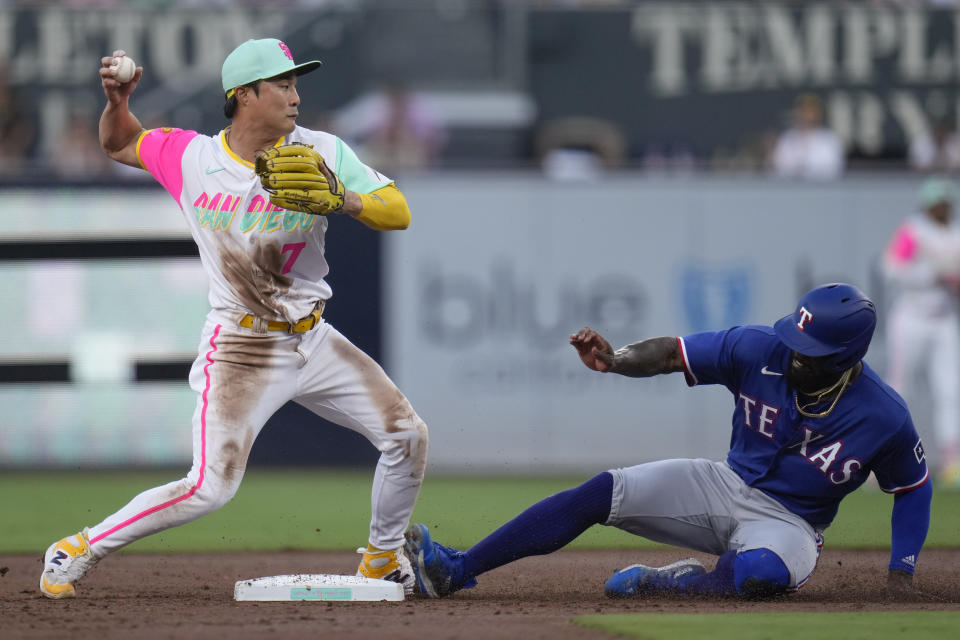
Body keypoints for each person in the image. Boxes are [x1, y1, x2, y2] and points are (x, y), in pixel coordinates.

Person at [39, 38, 428, 599]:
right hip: (241, 350)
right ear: (244, 95)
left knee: (406, 436)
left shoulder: (321, 151)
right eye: (283, 84)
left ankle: (381, 559)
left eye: (296, 83)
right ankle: (78, 547)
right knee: (209, 488)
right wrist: (118, 101)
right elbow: (119, 143)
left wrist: (344, 199)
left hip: (312, 338)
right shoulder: (192, 157)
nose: (296, 95)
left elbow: (399, 211)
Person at [404, 283, 931, 600]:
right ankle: (457, 570)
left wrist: (901, 572)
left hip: (791, 523)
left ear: (845, 356)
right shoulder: (758, 348)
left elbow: (912, 488)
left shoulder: (883, 415)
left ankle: (674, 585)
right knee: (599, 492)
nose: (794, 353)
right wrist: (615, 361)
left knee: (756, 575)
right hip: (723, 483)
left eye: (809, 350)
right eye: (795, 337)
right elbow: (670, 353)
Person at [883, 178, 960, 489]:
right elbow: (890, 268)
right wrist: (929, 273)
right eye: (936, 203)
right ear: (927, 205)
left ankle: (952, 460)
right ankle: (885, 459)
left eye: (945, 202)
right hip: (911, 318)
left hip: (943, 319)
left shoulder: (956, 233)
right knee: (900, 389)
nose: (941, 207)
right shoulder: (914, 230)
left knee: (950, 390)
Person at [771, 93, 845, 180]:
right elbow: (780, 167)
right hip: (791, 189)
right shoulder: (788, 137)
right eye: (803, 110)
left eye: (810, 111)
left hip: (822, 190)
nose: (806, 115)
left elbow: (833, 169)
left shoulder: (828, 139)